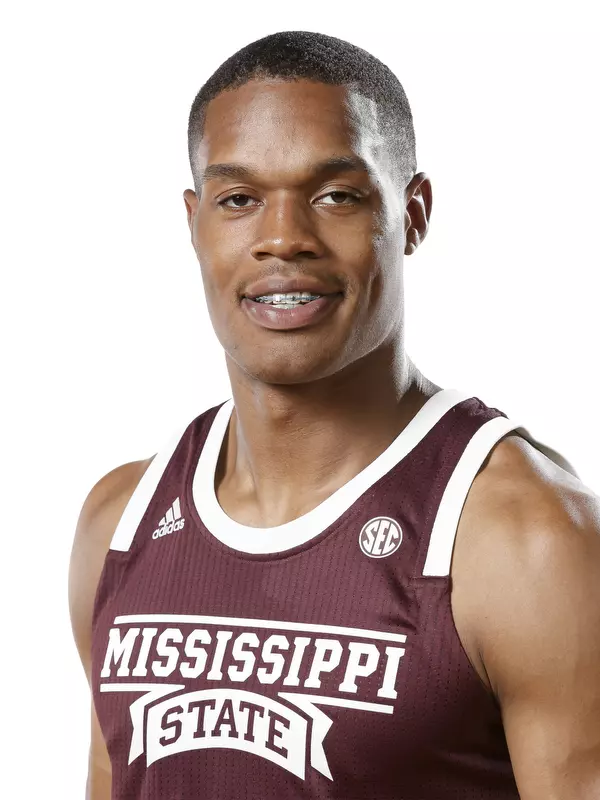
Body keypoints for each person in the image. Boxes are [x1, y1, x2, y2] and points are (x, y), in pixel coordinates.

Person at [68, 30, 600, 800]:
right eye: (239, 199)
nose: (283, 238)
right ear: (195, 224)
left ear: (413, 213)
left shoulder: (526, 540)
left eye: (336, 196)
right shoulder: (119, 523)